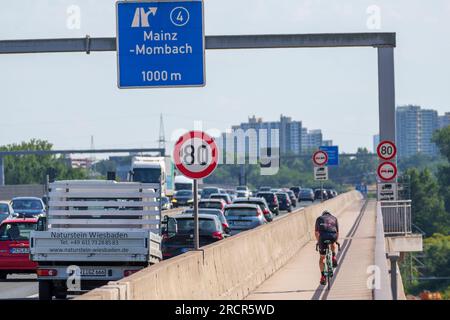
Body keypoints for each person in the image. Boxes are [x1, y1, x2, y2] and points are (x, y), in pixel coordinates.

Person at [315, 210, 339, 285]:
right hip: (333, 236)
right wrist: (336, 241)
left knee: (322, 258)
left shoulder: (319, 219)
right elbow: (337, 232)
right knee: (332, 243)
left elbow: (316, 233)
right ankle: (334, 257)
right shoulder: (334, 218)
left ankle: (323, 277)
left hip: (323, 238)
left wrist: (319, 242)